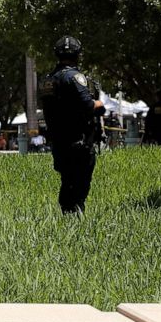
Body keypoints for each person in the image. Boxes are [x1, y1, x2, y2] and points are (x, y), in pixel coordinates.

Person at [38, 36, 105, 214]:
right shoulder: (74, 77)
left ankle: (67, 217)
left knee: (67, 180)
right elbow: (88, 106)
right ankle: (74, 217)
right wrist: (100, 104)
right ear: (77, 55)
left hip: (58, 141)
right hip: (78, 140)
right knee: (79, 183)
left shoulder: (47, 81)